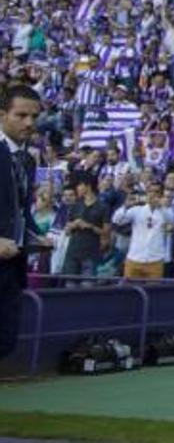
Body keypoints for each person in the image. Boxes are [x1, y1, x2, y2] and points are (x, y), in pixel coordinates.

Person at [0, 86, 47, 360]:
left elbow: (20, 210)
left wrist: (36, 236)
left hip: (11, 265)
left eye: (34, 116)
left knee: (6, 340)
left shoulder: (27, 160)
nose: (29, 123)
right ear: (3, 114)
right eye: (21, 115)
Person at [110, 182, 174, 280]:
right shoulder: (137, 210)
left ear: (161, 195)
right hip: (134, 258)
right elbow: (117, 220)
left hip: (155, 260)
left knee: (153, 292)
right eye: (150, 191)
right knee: (130, 292)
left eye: (156, 192)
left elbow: (172, 221)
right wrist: (125, 206)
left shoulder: (166, 211)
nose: (153, 194)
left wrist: (161, 206)